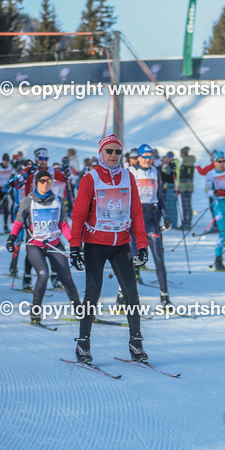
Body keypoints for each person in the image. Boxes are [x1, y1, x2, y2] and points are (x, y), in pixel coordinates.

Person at [69, 134, 149, 363]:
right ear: (101, 153)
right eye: (109, 151)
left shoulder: (128, 177)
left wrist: (142, 245)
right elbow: (78, 214)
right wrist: (75, 247)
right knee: (93, 292)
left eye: (117, 151)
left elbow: (136, 213)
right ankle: (83, 343)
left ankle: (136, 342)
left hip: (121, 243)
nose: (114, 155)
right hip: (95, 244)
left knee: (131, 292)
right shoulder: (90, 178)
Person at [7, 169, 81, 324]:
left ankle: (81, 312)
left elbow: (63, 225)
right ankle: (35, 313)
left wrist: (73, 242)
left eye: (48, 181)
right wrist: (12, 238)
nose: (45, 184)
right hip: (35, 245)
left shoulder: (58, 200)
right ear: (36, 183)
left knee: (66, 277)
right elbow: (19, 222)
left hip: (54, 244)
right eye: (42, 181)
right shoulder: (28, 201)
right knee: (43, 274)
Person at [129, 144, 173, 305]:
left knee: (159, 258)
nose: (148, 160)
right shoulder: (130, 172)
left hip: (151, 218)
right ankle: (123, 295)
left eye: (150, 157)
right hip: (134, 219)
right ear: (139, 157)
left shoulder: (156, 172)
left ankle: (165, 296)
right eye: (145, 157)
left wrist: (166, 215)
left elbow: (160, 196)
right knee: (133, 259)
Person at [176, 147, 196, 230]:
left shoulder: (187, 164)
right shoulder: (187, 162)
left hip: (186, 188)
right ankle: (186, 222)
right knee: (187, 206)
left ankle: (187, 223)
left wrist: (185, 187)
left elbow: (188, 176)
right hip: (186, 187)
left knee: (186, 206)